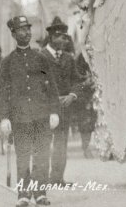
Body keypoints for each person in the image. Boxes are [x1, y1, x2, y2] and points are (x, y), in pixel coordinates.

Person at [0, 16, 60, 207]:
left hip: (41, 116)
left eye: (28, 29)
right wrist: (4, 118)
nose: (26, 33)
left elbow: (52, 88)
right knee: (23, 157)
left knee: (41, 157)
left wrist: (54, 111)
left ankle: (40, 193)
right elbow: (2, 92)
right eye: (21, 30)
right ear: (13, 34)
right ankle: (23, 195)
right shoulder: (7, 63)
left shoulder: (41, 58)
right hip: (20, 118)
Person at [41, 32, 85, 187]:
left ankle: (57, 178)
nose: (65, 41)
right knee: (44, 142)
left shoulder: (68, 58)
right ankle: (41, 179)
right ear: (52, 38)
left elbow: (78, 80)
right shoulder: (40, 56)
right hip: (45, 107)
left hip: (65, 107)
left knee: (61, 142)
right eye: (61, 37)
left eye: (66, 38)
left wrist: (73, 95)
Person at [73, 47, 97, 159]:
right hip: (85, 95)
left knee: (96, 121)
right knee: (86, 122)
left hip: (97, 91)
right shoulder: (81, 58)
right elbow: (76, 79)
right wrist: (86, 83)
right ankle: (86, 147)